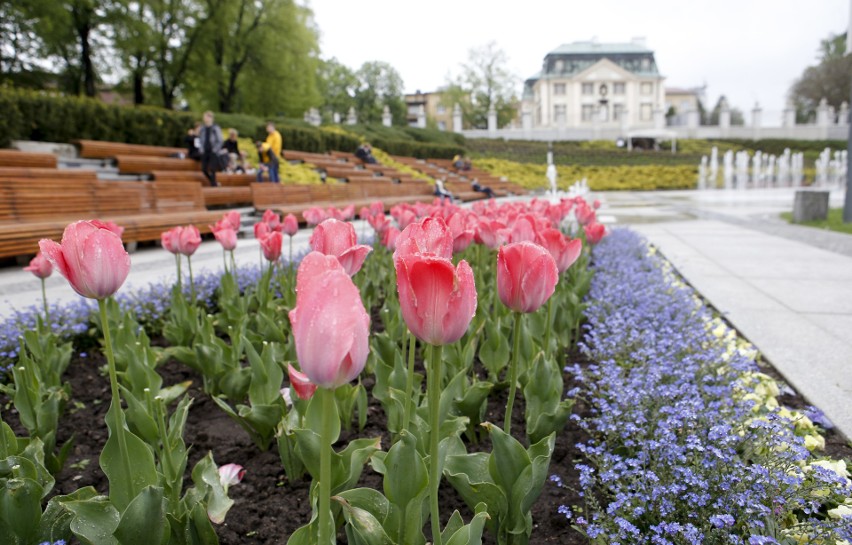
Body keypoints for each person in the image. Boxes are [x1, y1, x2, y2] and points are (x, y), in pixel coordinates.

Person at [198, 111, 223, 186]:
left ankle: (214, 185)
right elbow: (200, 139)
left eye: (205, 116)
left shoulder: (215, 128)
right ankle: (214, 183)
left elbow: (220, 140)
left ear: (210, 118)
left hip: (213, 151)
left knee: (212, 169)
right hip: (205, 151)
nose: (204, 118)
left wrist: (215, 149)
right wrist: (201, 149)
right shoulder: (202, 128)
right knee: (204, 169)